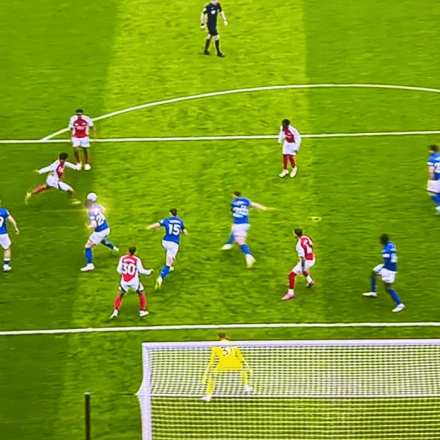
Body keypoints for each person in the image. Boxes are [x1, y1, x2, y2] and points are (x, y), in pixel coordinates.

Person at [222, 191, 273, 268]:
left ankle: (249, 256)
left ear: (234, 196)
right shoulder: (245, 200)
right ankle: (229, 244)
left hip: (239, 225)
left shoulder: (233, 203)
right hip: (245, 224)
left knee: (240, 241)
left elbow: (233, 210)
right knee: (233, 230)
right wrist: (264, 208)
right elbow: (254, 204)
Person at [202, 333, 252, 402]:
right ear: (225, 336)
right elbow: (240, 357)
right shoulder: (233, 345)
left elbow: (212, 361)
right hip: (235, 364)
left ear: (219, 337)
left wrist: (207, 370)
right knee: (243, 370)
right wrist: (247, 366)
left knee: (212, 376)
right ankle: (246, 386)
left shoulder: (215, 347)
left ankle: (208, 395)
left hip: (222, 365)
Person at [363, 234, 405, 313]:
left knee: (387, 288)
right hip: (390, 266)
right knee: (373, 272)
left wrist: (382, 271)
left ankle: (400, 304)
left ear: (383, 241)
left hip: (389, 270)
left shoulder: (385, 251)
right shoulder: (391, 244)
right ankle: (373, 292)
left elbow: (387, 261)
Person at [147, 209, 187, 290]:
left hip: (165, 242)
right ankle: (161, 277)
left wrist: (150, 227)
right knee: (169, 262)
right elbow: (184, 232)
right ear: (176, 214)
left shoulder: (167, 220)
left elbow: (158, 224)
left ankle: (170, 267)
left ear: (170, 214)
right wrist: (184, 233)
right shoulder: (180, 221)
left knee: (169, 252)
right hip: (174, 244)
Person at [110, 247, 153, 319]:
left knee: (120, 295)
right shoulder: (137, 259)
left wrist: (124, 274)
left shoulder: (122, 258)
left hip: (124, 280)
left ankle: (115, 311)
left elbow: (118, 270)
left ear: (128, 251)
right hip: (134, 280)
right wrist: (149, 272)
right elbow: (141, 271)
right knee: (141, 293)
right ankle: (142, 311)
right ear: (135, 252)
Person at [81, 199, 118, 272]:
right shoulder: (96, 206)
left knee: (88, 246)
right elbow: (104, 209)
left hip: (100, 231)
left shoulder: (90, 213)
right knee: (102, 241)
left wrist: (89, 226)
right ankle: (114, 248)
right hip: (106, 228)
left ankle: (90, 265)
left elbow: (94, 225)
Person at [282, 229, 315, 300]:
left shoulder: (299, 245)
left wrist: (302, 268)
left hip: (307, 260)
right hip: (312, 258)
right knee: (302, 269)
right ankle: (310, 281)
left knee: (291, 275)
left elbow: (302, 258)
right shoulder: (306, 237)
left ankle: (290, 293)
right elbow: (311, 245)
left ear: (296, 235)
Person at [0, 199, 19, 272]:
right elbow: (11, 220)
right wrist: (15, 228)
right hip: (3, 234)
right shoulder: (4, 211)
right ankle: (6, 266)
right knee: (7, 248)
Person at [427, 145, 440, 215]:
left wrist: (431, 179)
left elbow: (431, 171)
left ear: (431, 150)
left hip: (437, 177)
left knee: (431, 193)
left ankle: (439, 207)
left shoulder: (432, 158)